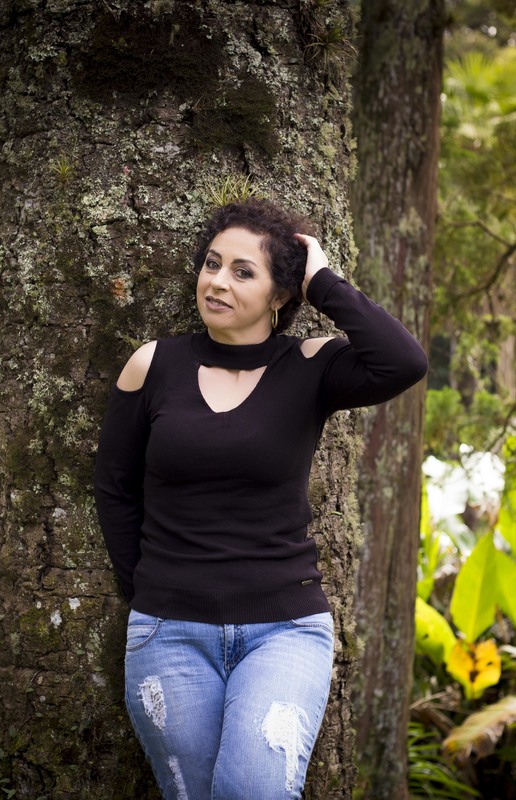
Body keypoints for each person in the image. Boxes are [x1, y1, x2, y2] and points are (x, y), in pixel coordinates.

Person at [93, 199, 427, 800]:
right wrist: (146, 585)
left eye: (243, 271)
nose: (217, 282)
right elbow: (114, 487)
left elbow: (403, 361)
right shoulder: (153, 364)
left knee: (253, 789)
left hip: (285, 630)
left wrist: (322, 282)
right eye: (212, 263)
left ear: (281, 294)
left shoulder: (310, 365)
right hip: (169, 632)